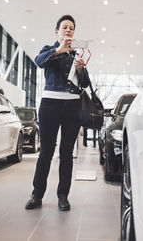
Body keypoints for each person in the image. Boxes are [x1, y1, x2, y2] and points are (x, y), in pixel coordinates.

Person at [25, 15, 90, 211]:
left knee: (66, 154)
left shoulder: (76, 55)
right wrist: (58, 49)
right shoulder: (48, 50)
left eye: (71, 28)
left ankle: (63, 196)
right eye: (64, 27)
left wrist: (80, 69)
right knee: (45, 152)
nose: (68, 30)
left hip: (72, 107)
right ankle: (37, 195)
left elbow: (85, 83)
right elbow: (39, 62)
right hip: (50, 105)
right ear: (57, 31)